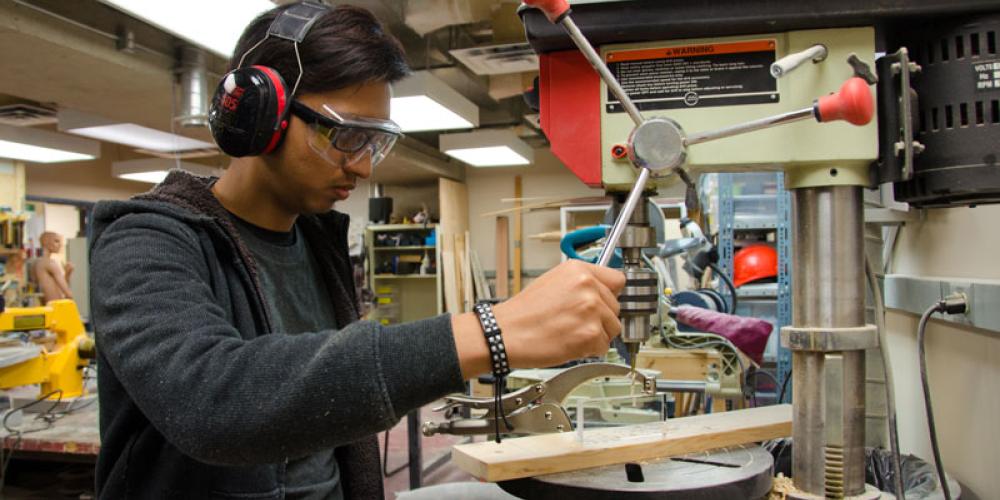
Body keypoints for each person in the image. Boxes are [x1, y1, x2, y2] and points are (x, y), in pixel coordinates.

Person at [89, 3, 624, 499]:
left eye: (375, 141)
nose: (364, 167)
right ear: (259, 111)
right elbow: (213, 401)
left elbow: (321, 401)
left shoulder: (319, 244)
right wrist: (491, 331)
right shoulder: (145, 239)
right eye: (345, 136)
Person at [33, 231, 74, 304]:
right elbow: (68, 294)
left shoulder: (36, 263)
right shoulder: (50, 263)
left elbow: (57, 290)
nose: (60, 245)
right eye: (56, 241)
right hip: (56, 308)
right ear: (46, 242)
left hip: (47, 308)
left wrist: (67, 274)